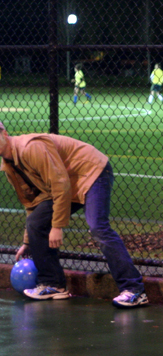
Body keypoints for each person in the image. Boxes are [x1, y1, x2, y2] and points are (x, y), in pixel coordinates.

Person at [0, 121, 148, 308]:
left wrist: (57, 226)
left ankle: (134, 290)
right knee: (37, 222)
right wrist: (28, 241)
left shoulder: (30, 148)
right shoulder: (9, 166)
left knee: (98, 227)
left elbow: (60, 184)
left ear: (4, 133)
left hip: (91, 172)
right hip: (67, 182)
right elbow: (33, 204)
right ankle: (53, 285)